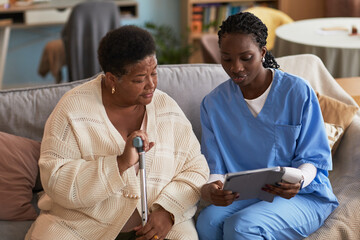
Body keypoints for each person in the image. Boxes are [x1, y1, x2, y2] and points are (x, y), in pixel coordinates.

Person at [25, 25, 209, 240]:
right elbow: (55, 180)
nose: (151, 85)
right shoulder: (72, 110)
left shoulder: (166, 107)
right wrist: (119, 163)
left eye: (154, 72)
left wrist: (168, 211)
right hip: (81, 225)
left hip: (159, 226)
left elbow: (196, 168)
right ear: (112, 79)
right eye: (140, 79)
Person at [196, 12, 338, 240]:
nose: (236, 68)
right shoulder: (213, 104)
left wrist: (299, 181)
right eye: (227, 59)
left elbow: (312, 159)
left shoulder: (297, 92)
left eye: (246, 57)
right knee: (207, 222)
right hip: (245, 194)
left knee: (241, 227)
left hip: (302, 196)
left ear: (262, 53)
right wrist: (213, 189)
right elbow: (215, 168)